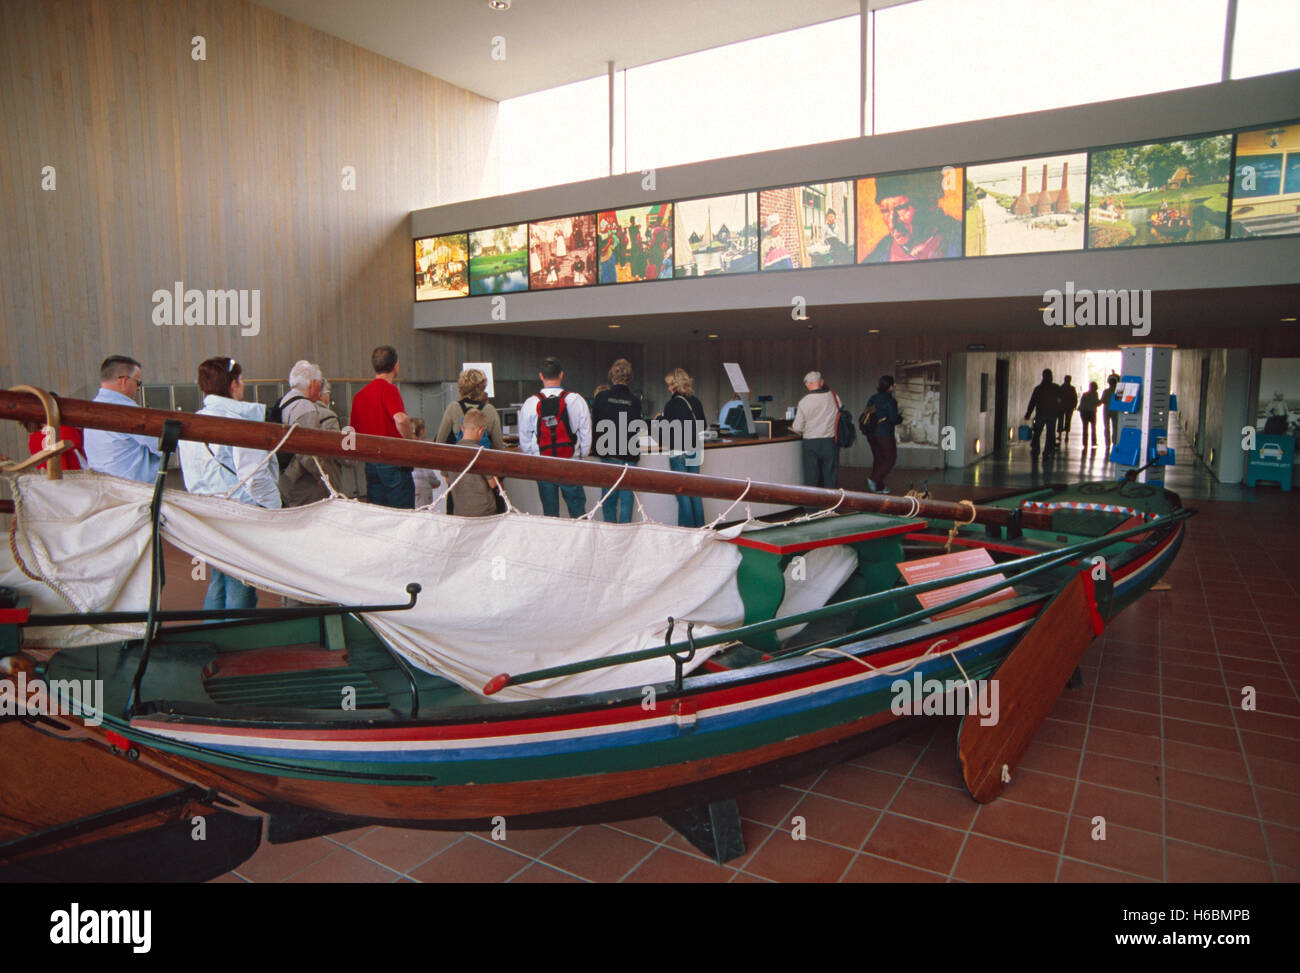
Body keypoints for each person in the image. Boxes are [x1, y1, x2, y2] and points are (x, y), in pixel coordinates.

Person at [177, 357, 282, 611]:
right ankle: (238, 631)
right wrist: (274, 509)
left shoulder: (192, 421)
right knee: (240, 581)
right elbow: (254, 476)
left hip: (206, 513)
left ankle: (213, 629)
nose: (243, 385)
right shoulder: (239, 421)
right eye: (241, 380)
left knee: (218, 579)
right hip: (239, 514)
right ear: (232, 384)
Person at [518, 356, 592, 518]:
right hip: (570, 462)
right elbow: (586, 435)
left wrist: (534, 456)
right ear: (561, 374)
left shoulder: (530, 403)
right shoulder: (576, 400)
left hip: (543, 463)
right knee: (578, 512)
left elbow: (524, 440)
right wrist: (581, 455)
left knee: (550, 513)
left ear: (541, 376)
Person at [350, 345, 415, 508]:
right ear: (396, 366)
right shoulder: (389, 390)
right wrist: (410, 441)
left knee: (378, 513)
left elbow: (353, 433)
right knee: (403, 515)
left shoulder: (359, 396)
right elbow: (400, 419)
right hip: (393, 460)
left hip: (371, 462)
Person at [83, 355, 163, 482]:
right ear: (124, 381)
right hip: (130, 488)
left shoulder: (90, 409)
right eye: (138, 383)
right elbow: (161, 446)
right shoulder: (128, 411)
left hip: (100, 485)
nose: (138, 388)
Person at [277, 360, 344, 507]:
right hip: (305, 486)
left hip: (286, 479)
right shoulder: (305, 407)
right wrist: (324, 477)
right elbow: (309, 451)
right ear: (313, 383)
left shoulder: (285, 402)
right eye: (319, 384)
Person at [860, 172, 962, 263]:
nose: (892, 224)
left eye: (901, 208)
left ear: (930, 204)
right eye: (885, 211)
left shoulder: (958, 240)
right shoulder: (879, 255)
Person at [592, 358, 642, 524]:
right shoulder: (635, 401)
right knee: (627, 500)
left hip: (608, 452)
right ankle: (625, 533)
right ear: (630, 377)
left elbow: (595, 424)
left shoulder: (601, 397)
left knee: (608, 499)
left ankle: (610, 532)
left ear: (612, 375)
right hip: (629, 454)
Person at [662, 368, 706, 527]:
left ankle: (687, 532)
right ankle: (701, 530)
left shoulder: (671, 404)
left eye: (669, 385)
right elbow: (703, 425)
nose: (668, 388)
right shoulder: (696, 402)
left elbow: (666, 432)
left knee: (683, 494)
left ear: (674, 385)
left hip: (678, 451)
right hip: (695, 450)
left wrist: (659, 420)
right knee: (695, 493)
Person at [441, 409, 499, 518]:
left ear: (462, 428)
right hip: (484, 512)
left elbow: (448, 480)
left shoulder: (449, 453)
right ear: (481, 431)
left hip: (460, 511)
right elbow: (493, 484)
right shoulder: (482, 453)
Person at [792, 370, 841, 489]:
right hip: (829, 441)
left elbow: (797, 427)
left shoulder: (804, 401)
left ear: (807, 385)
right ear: (821, 382)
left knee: (811, 476)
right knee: (829, 476)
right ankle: (831, 500)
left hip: (810, 442)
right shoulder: (834, 397)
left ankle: (812, 501)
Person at [864, 376, 902, 493]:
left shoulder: (873, 398)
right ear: (890, 387)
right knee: (890, 459)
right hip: (884, 434)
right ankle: (873, 479)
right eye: (893, 385)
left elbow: (867, 413)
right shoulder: (891, 401)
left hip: (871, 434)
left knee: (878, 459)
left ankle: (879, 487)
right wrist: (900, 417)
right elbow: (893, 419)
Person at [1025, 368, 1061, 459]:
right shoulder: (1056, 388)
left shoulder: (1038, 389)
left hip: (1040, 414)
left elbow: (1033, 402)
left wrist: (1028, 413)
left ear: (1043, 376)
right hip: (1052, 414)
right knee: (1050, 433)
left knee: (1037, 432)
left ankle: (1036, 448)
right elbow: (1060, 401)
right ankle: (1047, 451)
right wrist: (1058, 411)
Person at [409, 418, 441, 508]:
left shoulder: (407, 447)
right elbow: (427, 472)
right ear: (422, 431)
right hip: (422, 487)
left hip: (409, 485)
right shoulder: (422, 449)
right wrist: (436, 482)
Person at [1100, 373, 1121, 452]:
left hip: (1107, 410)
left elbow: (1102, 401)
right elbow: (1120, 401)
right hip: (1115, 410)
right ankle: (1115, 442)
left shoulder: (1106, 391)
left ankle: (1107, 444)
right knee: (1115, 427)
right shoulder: (1118, 391)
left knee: (1106, 427)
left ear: (1109, 383)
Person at [1078, 381, 1101, 452]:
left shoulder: (1085, 394)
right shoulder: (1095, 394)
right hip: (1092, 412)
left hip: (1084, 412)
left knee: (1085, 428)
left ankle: (1085, 443)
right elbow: (1097, 403)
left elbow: (1081, 404)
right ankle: (1093, 442)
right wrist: (1101, 401)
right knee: (1093, 428)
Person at [1057, 375, 1078, 447]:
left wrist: (1059, 404)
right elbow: (1075, 398)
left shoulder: (1061, 388)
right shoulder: (1072, 388)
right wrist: (1074, 405)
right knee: (1068, 421)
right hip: (1069, 407)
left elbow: (1058, 397)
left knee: (1060, 420)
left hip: (1061, 407)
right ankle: (1066, 435)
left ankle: (1060, 435)